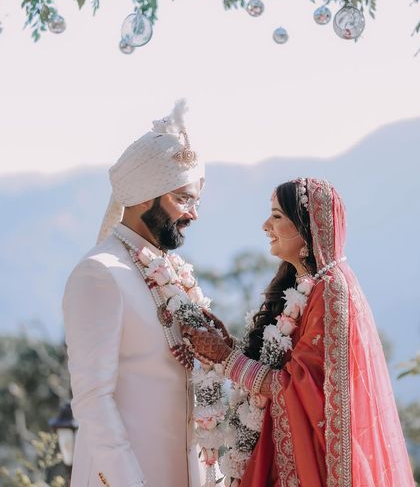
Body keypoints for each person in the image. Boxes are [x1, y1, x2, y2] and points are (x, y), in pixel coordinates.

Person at [183, 178, 415, 487]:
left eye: (277, 216)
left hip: (312, 465)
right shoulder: (302, 286)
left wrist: (226, 359)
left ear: (307, 228)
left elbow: (299, 385)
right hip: (278, 449)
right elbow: (282, 366)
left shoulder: (331, 291)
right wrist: (232, 348)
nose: (266, 225)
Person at [63, 100, 204, 487]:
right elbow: (92, 399)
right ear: (146, 195)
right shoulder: (100, 272)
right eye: (183, 199)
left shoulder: (173, 273)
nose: (193, 214)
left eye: (195, 200)